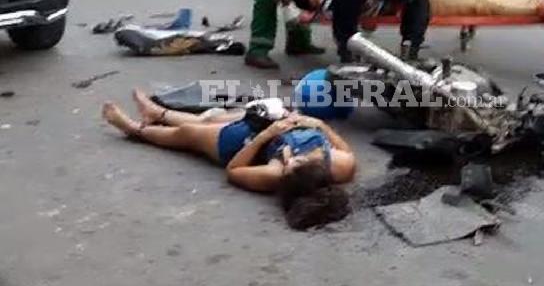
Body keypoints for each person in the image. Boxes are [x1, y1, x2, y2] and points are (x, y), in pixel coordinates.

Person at [101, 90, 356, 193]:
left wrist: (266, 137)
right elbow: (346, 151)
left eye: (286, 164)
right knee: (211, 120)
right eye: (295, 160)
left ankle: (135, 130)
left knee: (190, 132)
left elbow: (234, 170)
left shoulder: (275, 173)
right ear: (317, 161)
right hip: (273, 125)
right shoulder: (338, 164)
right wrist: (319, 125)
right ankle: (157, 113)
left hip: (248, 144)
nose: (288, 159)